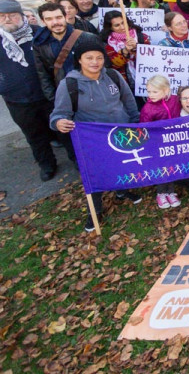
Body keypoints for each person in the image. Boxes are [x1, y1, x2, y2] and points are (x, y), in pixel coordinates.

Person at [50, 35, 140, 232]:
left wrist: (135, 123)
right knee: (94, 176)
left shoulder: (114, 76)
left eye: (99, 57)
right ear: (80, 60)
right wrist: (58, 123)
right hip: (92, 140)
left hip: (120, 133)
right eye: (89, 58)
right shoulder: (70, 84)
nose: (95, 62)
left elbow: (129, 100)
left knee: (120, 165)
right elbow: (58, 114)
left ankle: (122, 191)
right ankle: (95, 210)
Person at [0, 0, 62, 180]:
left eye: (12, 15)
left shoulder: (39, 34)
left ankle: (75, 159)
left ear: (21, 16)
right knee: (34, 136)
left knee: (61, 130)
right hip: (17, 100)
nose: (7, 19)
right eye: (2, 16)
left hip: (47, 95)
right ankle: (47, 165)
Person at [33, 2, 96, 102]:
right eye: (49, 19)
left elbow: (103, 67)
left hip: (91, 93)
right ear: (43, 21)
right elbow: (43, 75)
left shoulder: (86, 38)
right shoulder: (40, 44)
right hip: (64, 96)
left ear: (65, 17)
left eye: (58, 17)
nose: (55, 22)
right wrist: (54, 99)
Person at [139, 75, 182, 208]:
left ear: (166, 90)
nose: (151, 95)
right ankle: (161, 193)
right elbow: (144, 128)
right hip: (158, 144)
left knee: (172, 166)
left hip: (174, 141)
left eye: (155, 91)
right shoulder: (148, 108)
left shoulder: (175, 100)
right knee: (162, 168)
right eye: (149, 91)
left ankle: (171, 192)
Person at [100, 10, 149, 88]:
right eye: (117, 25)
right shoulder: (106, 43)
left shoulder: (141, 37)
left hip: (144, 81)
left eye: (123, 23)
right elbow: (112, 65)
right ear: (110, 28)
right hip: (122, 83)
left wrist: (137, 48)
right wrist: (125, 51)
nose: (122, 27)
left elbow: (150, 59)